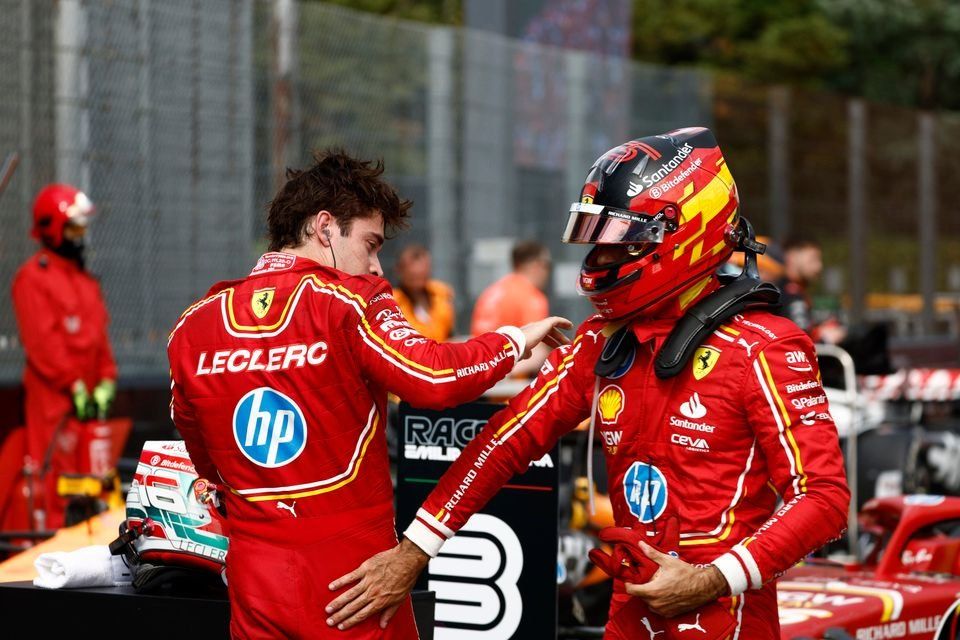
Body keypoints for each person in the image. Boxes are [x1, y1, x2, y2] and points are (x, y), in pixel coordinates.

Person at [327, 128, 850, 639]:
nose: (598, 259)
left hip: (726, 614)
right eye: (595, 241)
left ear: (683, 231)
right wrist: (413, 552)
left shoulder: (764, 346)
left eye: (619, 240)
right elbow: (507, 441)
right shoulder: (603, 341)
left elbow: (824, 500)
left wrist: (711, 579)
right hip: (631, 609)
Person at [166, 150, 571, 639]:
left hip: (254, 581)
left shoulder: (194, 323)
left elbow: (203, 454)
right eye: (370, 244)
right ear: (324, 227)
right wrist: (517, 339)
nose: (377, 267)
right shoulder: (352, 301)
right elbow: (435, 380)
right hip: (354, 584)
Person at [12, 184, 117, 530]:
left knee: (96, 480)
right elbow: (44, 344)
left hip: (89, 404)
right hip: (53, 405)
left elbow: (99, 338)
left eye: (81, 228)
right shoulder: (33, 278)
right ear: (51, 229)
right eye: (73, 228)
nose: (79, 236)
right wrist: (73, 386)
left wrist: (106, 381)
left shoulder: (85, 281)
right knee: (57, 482)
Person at [470, 240, 551, 336]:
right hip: (510, 349)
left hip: (481, 349)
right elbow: (537, 344)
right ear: (536, 265)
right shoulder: (531, 297)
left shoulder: (490, 291)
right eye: (547, 266)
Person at [775, 235, 846, 344]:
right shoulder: (790, 294)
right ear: (792, 256)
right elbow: (800, 341)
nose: (819, 266)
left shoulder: (794, 289)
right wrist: (826, 339)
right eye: (813, 259)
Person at [391, 244, 455, 342]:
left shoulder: (441, 293)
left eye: (422, 275)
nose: (418, 274)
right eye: (413, 276)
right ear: (399, 270)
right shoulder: (393, 302)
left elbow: (450, 333)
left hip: (441, 352)